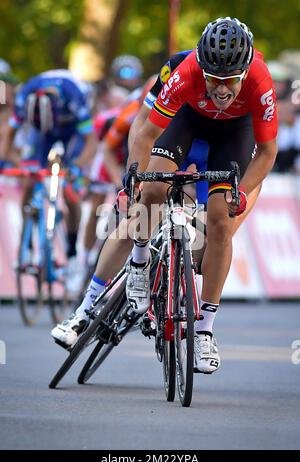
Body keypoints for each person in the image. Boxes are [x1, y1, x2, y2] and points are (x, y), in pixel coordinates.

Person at [51, 20, 268, 353]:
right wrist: (133, 178)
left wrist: (238, 194)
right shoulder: (180, 71)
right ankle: (94, 303)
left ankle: (203, 331)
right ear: (201, 66)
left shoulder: (260, 80)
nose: (222, 90)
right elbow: (144, 131)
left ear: (244, 71)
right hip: (184, 126)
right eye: (214, 80)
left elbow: (267, 153)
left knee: (218, 226)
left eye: (230, 81)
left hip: (231, 140)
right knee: (143, 204)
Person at [0, 69, 97, 292]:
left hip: (70, 129)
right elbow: (7, 136)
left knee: (71, 190)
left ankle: (73, 254)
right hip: (40, 132)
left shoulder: (75, 98)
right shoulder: (24, 96)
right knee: (28, 180)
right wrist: (16, 164)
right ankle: (27, 248)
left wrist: (76, 167)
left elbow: (91, 141)